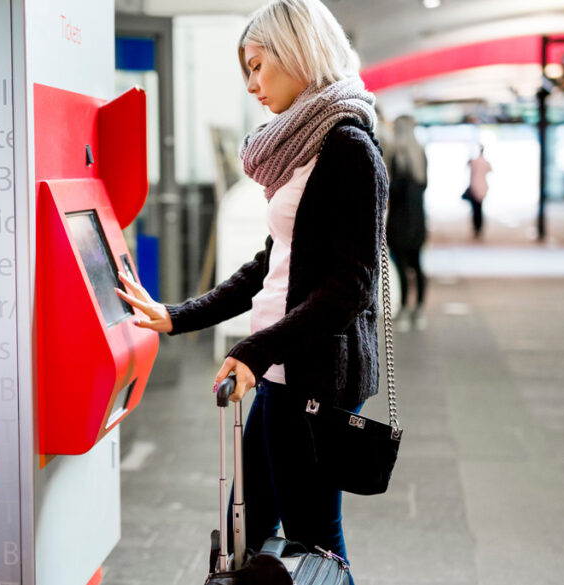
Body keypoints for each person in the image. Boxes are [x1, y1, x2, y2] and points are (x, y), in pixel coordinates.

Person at [115, 0, 387, 580]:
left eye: (259, 65)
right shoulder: (304, 146)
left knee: (314, 540)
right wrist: (178, 315)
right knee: (252, 526)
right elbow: (274, 264)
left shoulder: (348, 148)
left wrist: (254, 349)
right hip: (282, 370)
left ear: (298, 54)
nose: (251, 83)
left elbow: (351, 286)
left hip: (315, 378)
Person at [386, 115, 428, 331]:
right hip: (418, 219)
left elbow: (395, 191)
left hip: (399, 219)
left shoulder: (398, 154)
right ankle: (419, 309)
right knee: (418, 264)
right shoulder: (421, 154)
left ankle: (404, 307)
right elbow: (423, 186)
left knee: (402, 265)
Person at [465, 144, 492, 238]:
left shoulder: (474, 162)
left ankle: (477, 227)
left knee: (475, 209)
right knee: (479, 208)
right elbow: (490, 170)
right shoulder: (485, 162)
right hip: (482, 186)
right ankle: (479, 227)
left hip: (475, 185)